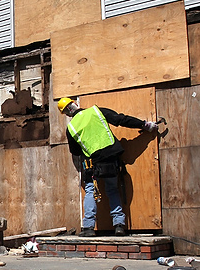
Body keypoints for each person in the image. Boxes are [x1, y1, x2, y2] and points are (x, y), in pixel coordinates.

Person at [58, 97, 157, 236]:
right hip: (111, 157)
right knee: (112, 189)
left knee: (91, 190)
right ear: (75, 104)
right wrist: (144, 125)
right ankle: (119, 225)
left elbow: (75, 151)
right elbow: (121, 119)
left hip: (92, 163)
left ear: (67, 114)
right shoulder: (96, 111)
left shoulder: (71, 128)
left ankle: (88, 228)